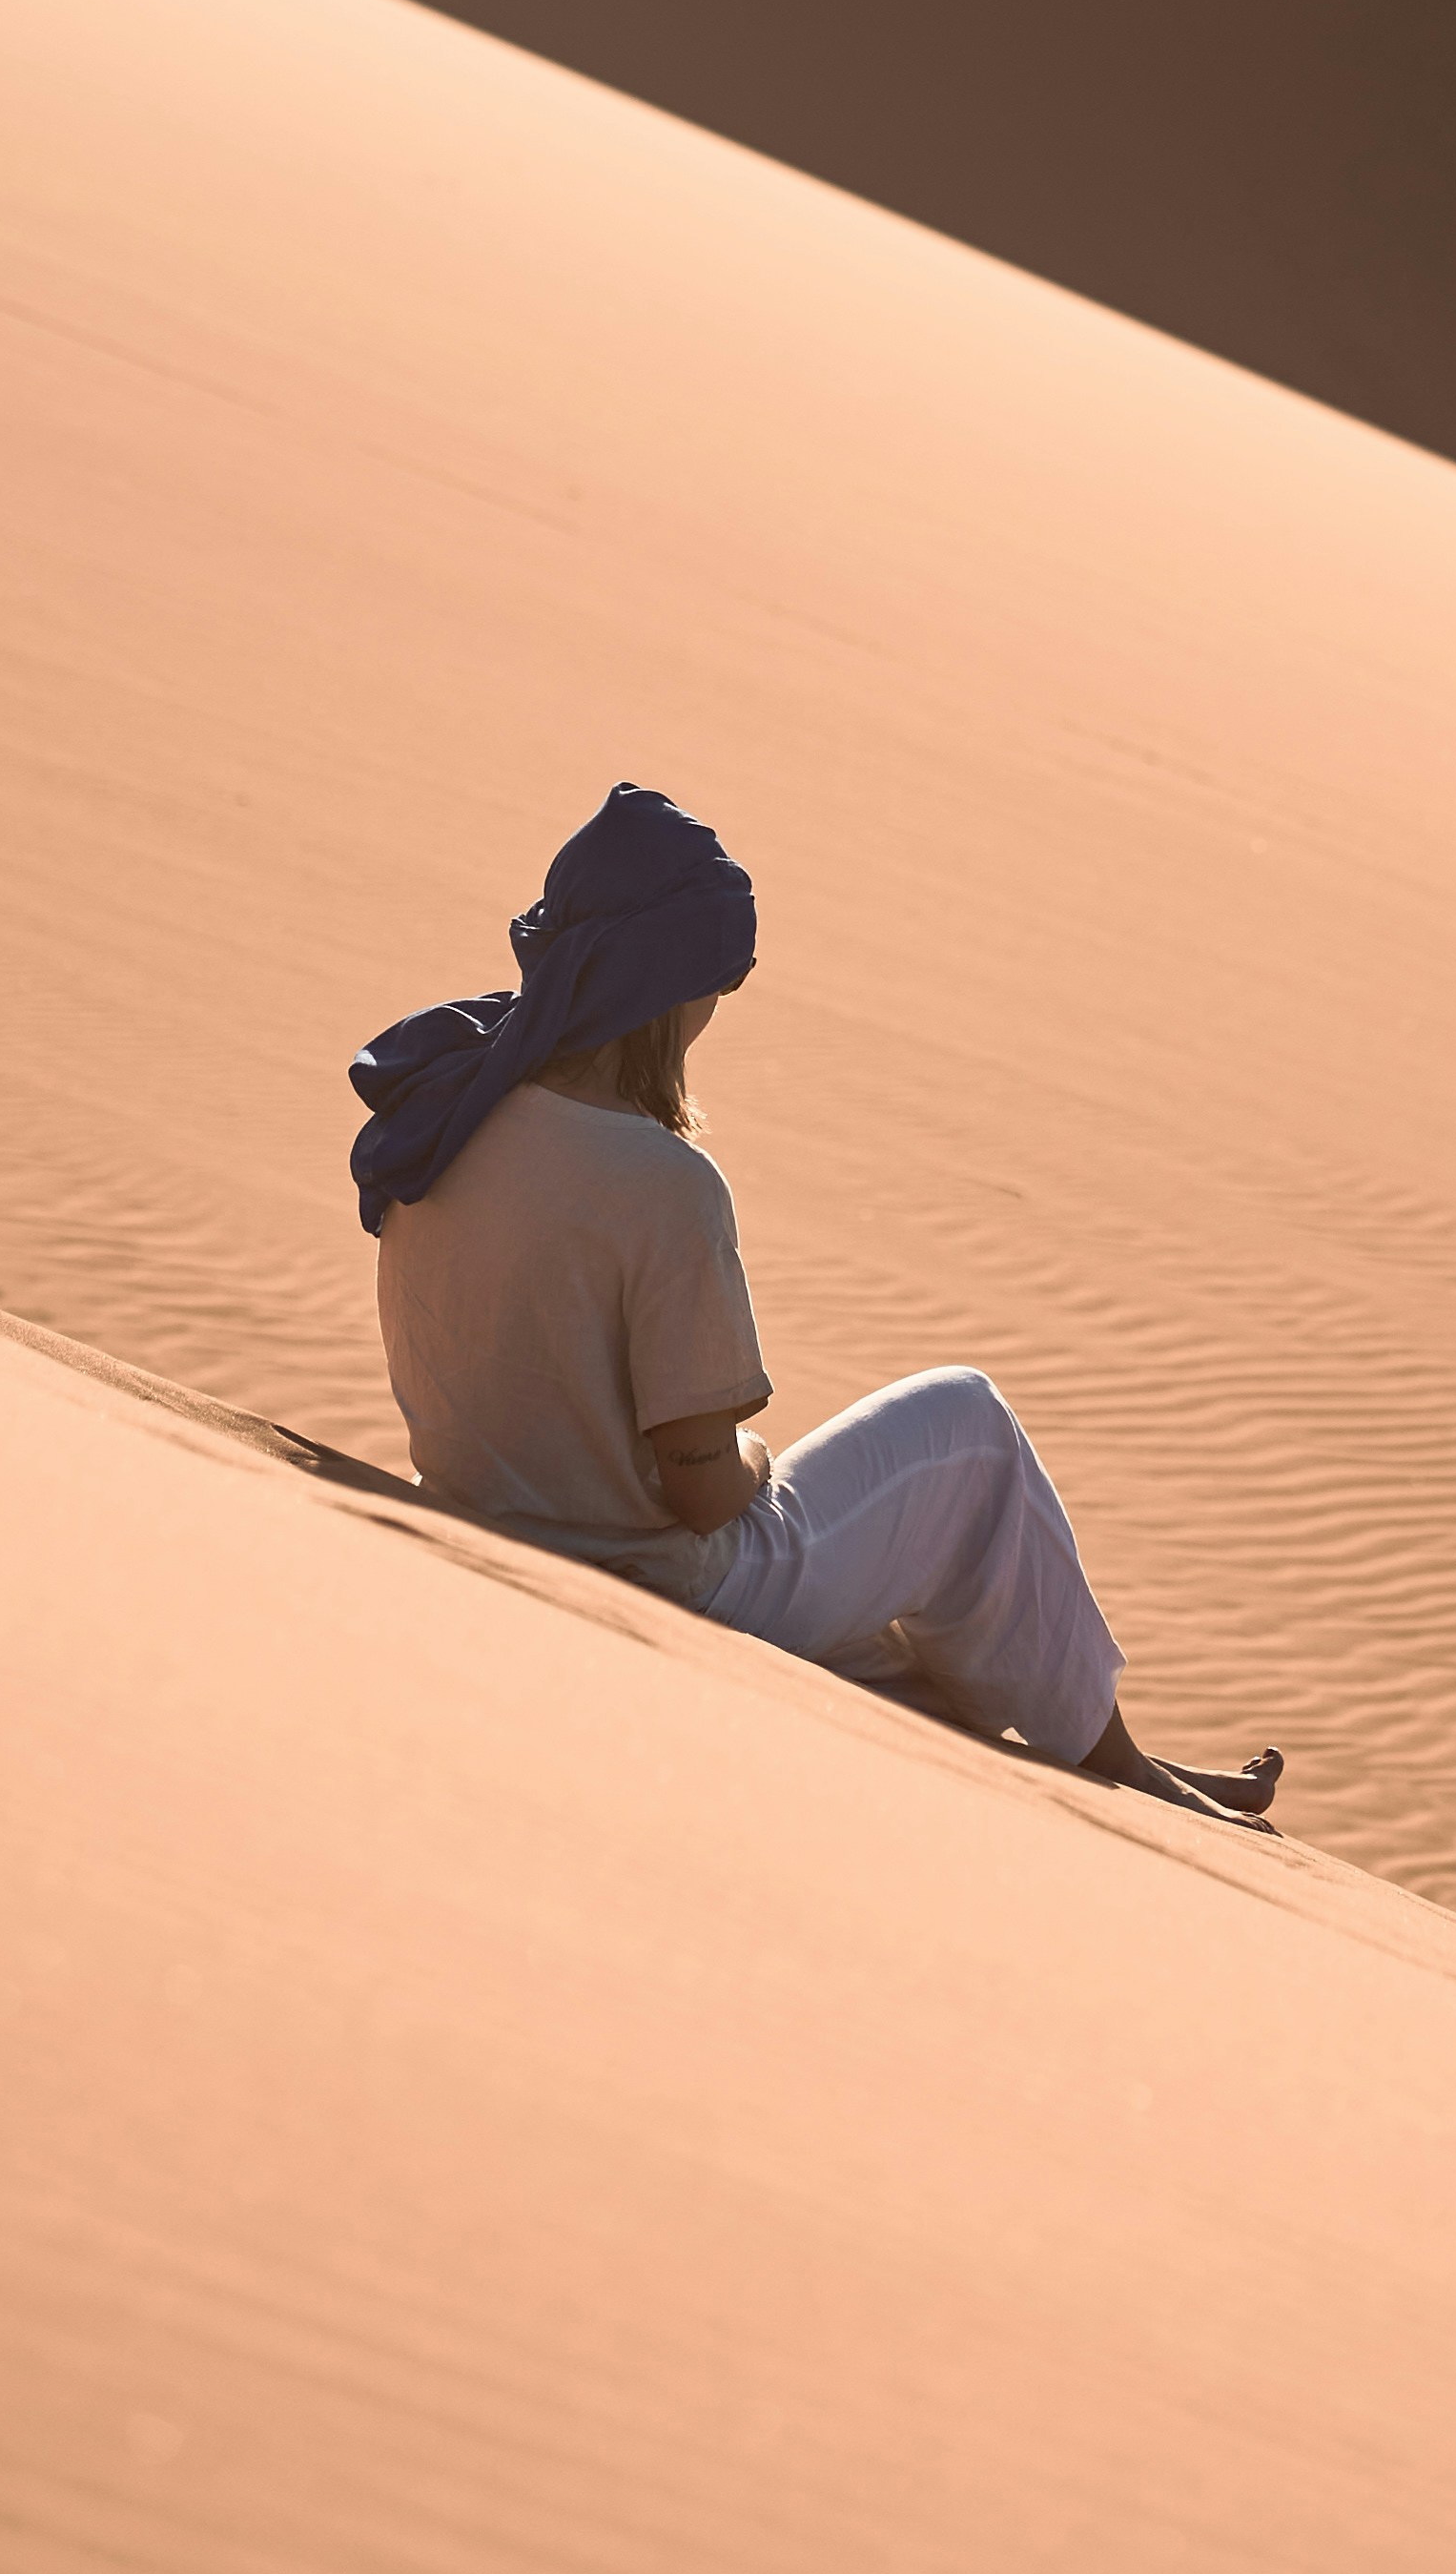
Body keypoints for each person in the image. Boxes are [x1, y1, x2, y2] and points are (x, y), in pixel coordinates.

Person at [350, 782, 1281, 1829]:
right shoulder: (659, 1183)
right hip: (658, 1574)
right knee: (966, 1427)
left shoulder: (447, 1108)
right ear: (666, 988)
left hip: (474, 1511)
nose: (710, 1013)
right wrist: (749, 1461)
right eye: (711, 984)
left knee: (904, 1663)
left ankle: (1081, 1746)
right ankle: (1126, 1767)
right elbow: (704, 1494)